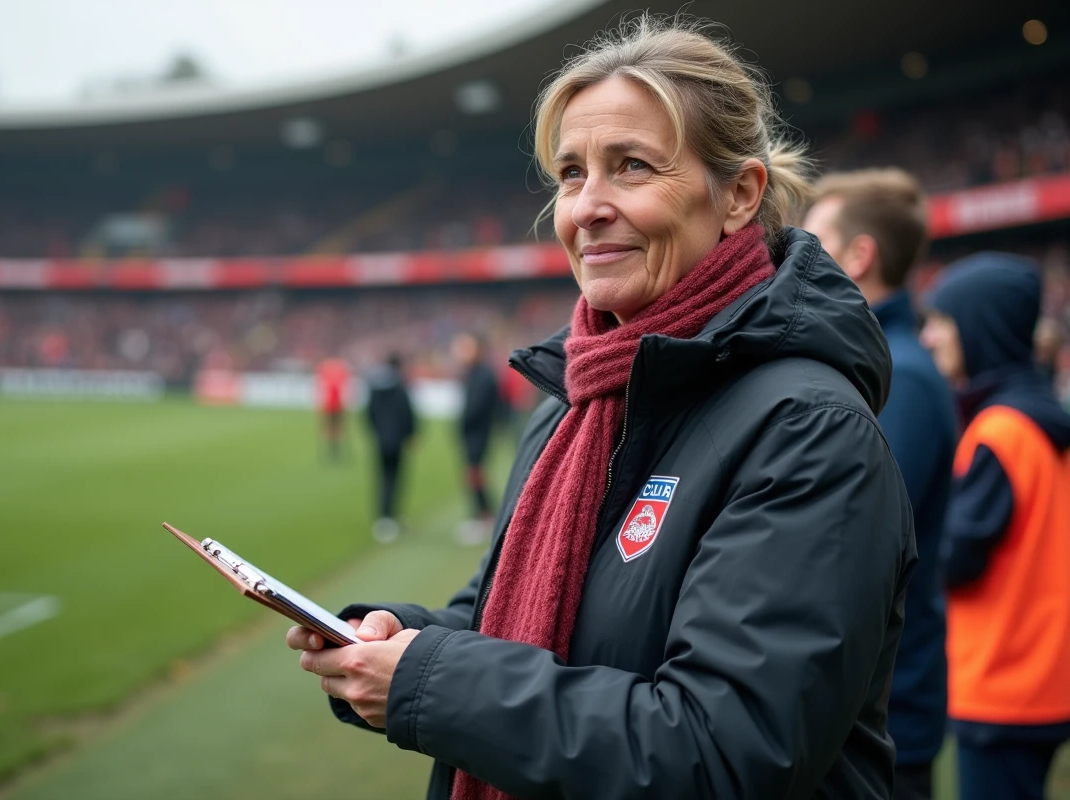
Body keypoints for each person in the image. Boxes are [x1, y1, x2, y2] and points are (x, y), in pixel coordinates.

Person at [288, 16, 914, 799]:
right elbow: (502, 621)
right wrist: (395, 640)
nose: (587, 206)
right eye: (571, 173)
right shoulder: (571, 402)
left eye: (632, 167)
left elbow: (724, 755)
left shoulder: (809, 430)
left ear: (740, 195)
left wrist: (431, 681)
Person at [802, 168, 957, 800]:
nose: (795, 260)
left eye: (814, 244)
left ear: (859, 256)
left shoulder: (903, 378)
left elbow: (848, 544)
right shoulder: (879, 361)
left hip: (886, 713)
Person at [919, 254, 1070, 800]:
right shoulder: (1042, 418)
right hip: (1047, 678)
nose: (931, 337)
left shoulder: (998, 431)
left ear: (977, 327)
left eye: (942, 322)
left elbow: (957, 558)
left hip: (1001, 682)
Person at [451, 332, 501, 545]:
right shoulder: (474, 373)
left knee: (475, 472)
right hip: (473, 433)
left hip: (478, 433)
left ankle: (483, 515)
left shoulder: (483, 374)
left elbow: (476, 408)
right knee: (473, 472)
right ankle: (484, 513)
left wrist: (463, 423)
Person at [364, 353, 416, 543]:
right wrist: (411, 433)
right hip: (397, 440)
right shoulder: (400, 386)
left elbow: (368, 413)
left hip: (380, 440)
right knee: (395, 478)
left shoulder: (374, 386)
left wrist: (375, 432)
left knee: (383, 478)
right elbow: (407, 412)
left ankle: (383, 518)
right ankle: (391, 516)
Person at [315, 356, 350, 462]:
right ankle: (332, 447)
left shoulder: (335, 378)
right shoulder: (331, 378)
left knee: (336, 429)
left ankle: (335, 447)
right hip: (331, 407)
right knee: (331, 429)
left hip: (336, 407)